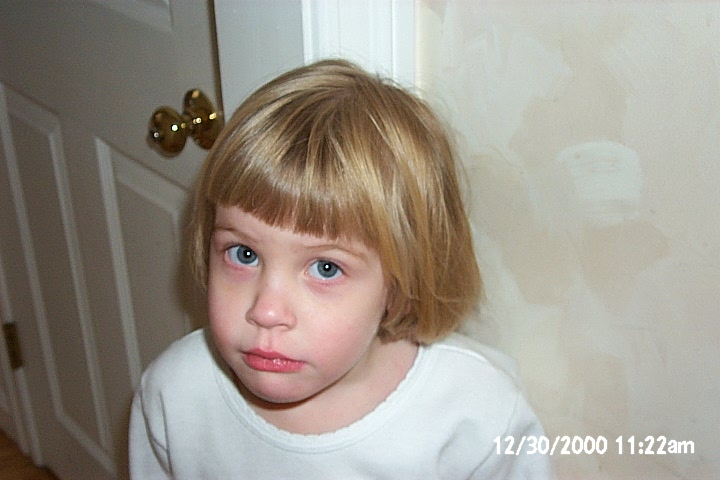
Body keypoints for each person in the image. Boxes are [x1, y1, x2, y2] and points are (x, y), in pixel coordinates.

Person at [129, 59, 555, 479]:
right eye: (243, 254)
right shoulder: (175, 394)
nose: (267, 311)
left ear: (401, 284)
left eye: (326, 267)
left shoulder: (476, 415)